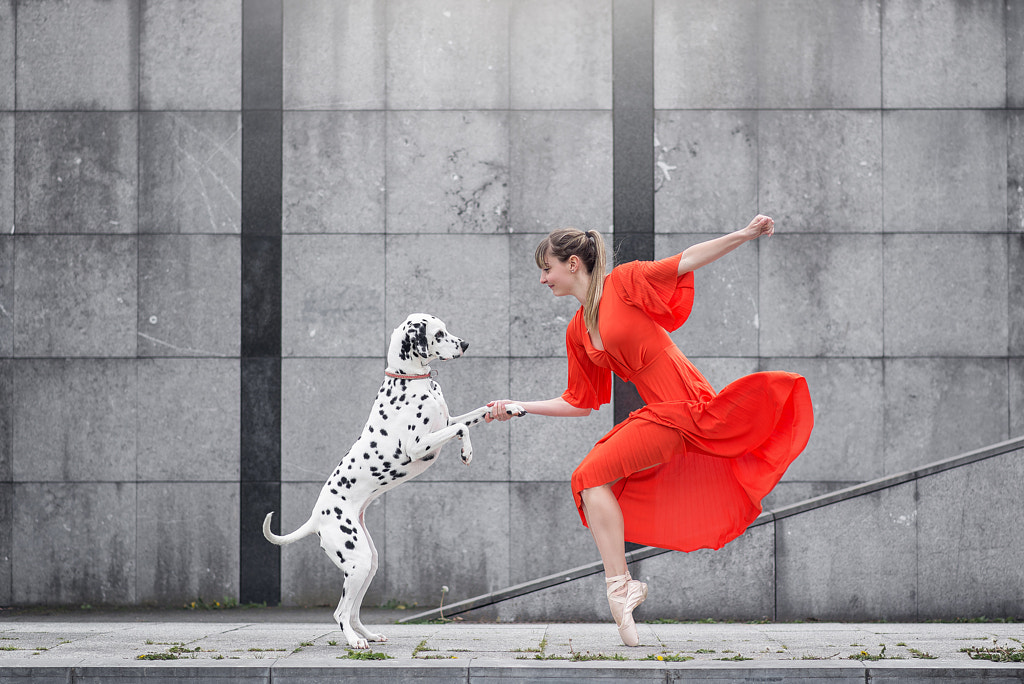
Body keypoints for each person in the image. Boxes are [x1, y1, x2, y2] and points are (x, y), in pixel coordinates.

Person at [486, 215, 813, 646]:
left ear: (571, 264)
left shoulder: (625, 282)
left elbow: (687, 260)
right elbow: (580, 402)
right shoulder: (577, 331)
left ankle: (621, 587)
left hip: (685, 405)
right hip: (660, 414)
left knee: (588, 477)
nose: (543, 280)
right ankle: (623, 587)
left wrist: (745, 233)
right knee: (589, 481)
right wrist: (519, 407)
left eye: (546, 269)